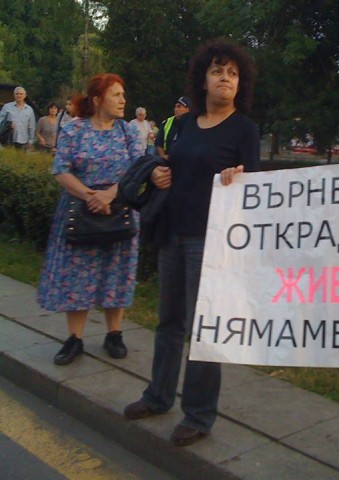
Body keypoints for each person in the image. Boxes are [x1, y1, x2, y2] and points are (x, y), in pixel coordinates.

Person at [123, 39, 260, 447]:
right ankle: (158, 396)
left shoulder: (245, 130)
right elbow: (169, 165)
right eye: (217, 71)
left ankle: (198, 416)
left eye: (232, 73)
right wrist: (158, 173)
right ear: (203, 79)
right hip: (173, 232)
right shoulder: (183, 124)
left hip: (212, 242)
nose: (225, 78)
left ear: (240, 84)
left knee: (204, 331)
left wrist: (240, 179)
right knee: (169, 322)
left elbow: (254, 189)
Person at [37, 73, 143, 366]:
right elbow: (61, 169)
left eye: (123, 95)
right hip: (80, 210)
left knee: (116, 271)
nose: (123, 100)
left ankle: (114, 334)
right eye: (116, 95)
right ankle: (75, 339)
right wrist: (90, 196)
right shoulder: (75, 129)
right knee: (77, 273)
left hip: (118, 209)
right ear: (98, 100)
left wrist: (110, 195)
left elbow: (138, 170)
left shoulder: (128, 132)